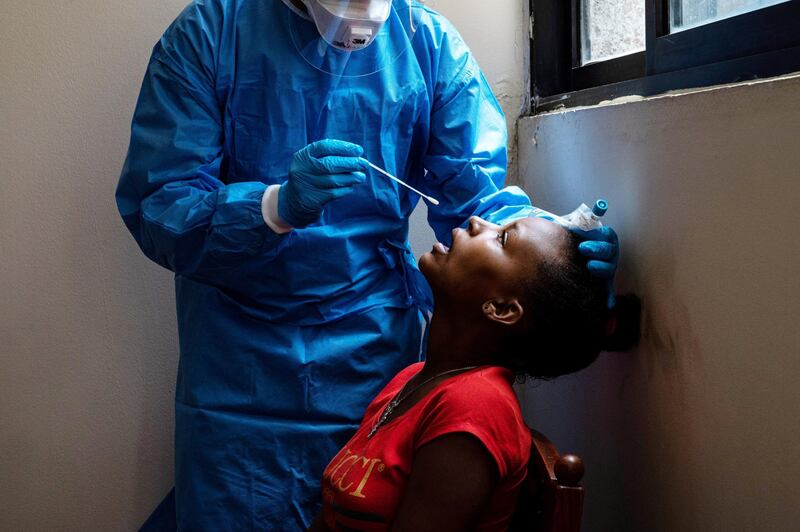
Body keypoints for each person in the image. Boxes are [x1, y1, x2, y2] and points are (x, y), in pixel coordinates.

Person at [116, 0, 619, 529]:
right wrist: (272, 208)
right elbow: (161, 204)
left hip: (372, 358)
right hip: (239, 375)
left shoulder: (426, 47)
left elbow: (479, 197)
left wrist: (565, 253)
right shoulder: (212, 33)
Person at [311, 216, 609, 531]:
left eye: (503, 239)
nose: (477, 222)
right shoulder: (413, 378)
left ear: (501, 308)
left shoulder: (474, 408)